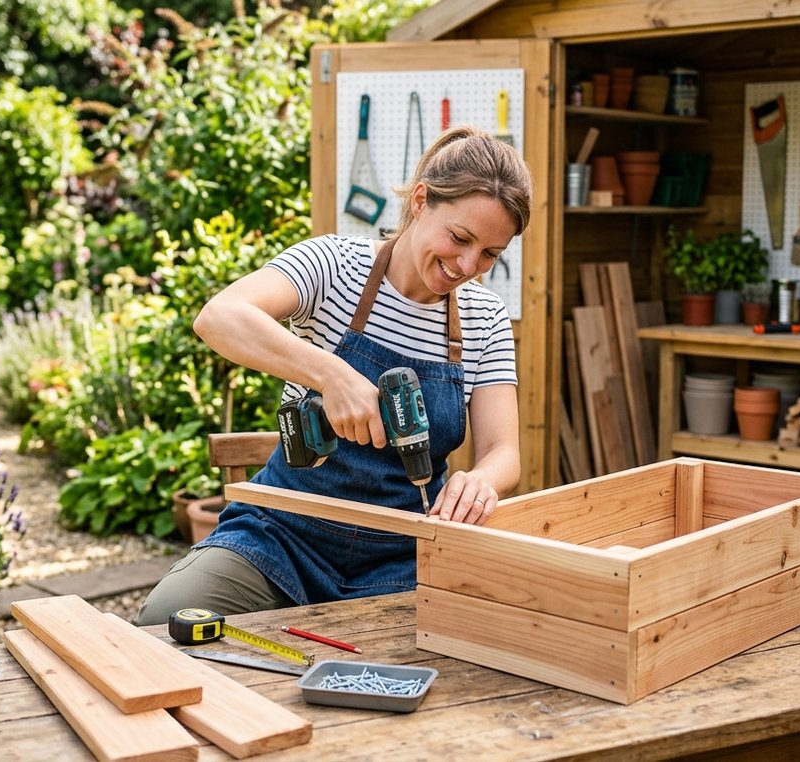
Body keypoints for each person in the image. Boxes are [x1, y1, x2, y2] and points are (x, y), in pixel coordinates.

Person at [136, 125, 532, 626]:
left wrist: (480, 482)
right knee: (165, 622)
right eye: (460, 238)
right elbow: (219, 316)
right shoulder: (334, 265)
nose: (467, 265)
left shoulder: (486, 319)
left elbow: (504, 453)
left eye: (490, 255)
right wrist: (332, 375)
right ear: (420, 199)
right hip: (281, 537)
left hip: (406, 555)